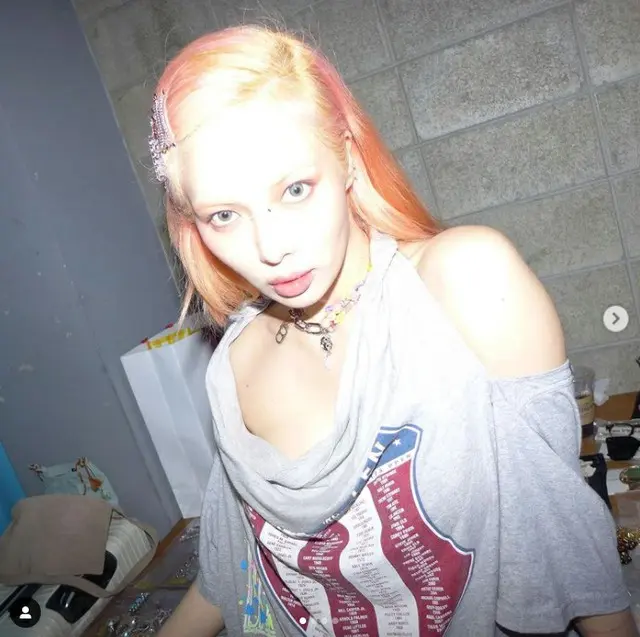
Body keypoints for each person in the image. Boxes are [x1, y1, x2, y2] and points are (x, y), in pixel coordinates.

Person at [150, 24, 636, 637]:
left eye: (295, 189)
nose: (271, 247)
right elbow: (230, 572)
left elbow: (567, 549)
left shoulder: (464, 282)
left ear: (348, 158)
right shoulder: (236, 361)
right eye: (224, 215)